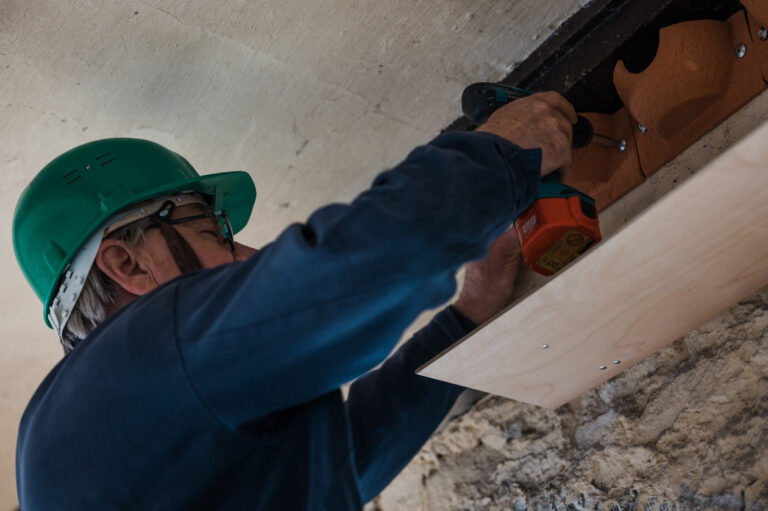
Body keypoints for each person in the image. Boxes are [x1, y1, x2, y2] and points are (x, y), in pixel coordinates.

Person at [13, 92, 576, 510]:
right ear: (128, 264)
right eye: (214, 230)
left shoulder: (84, 445)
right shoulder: (142, 353)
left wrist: (467, 313)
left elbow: (340, 470)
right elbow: (337, 274)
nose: (248, 253)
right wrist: (500, 153)